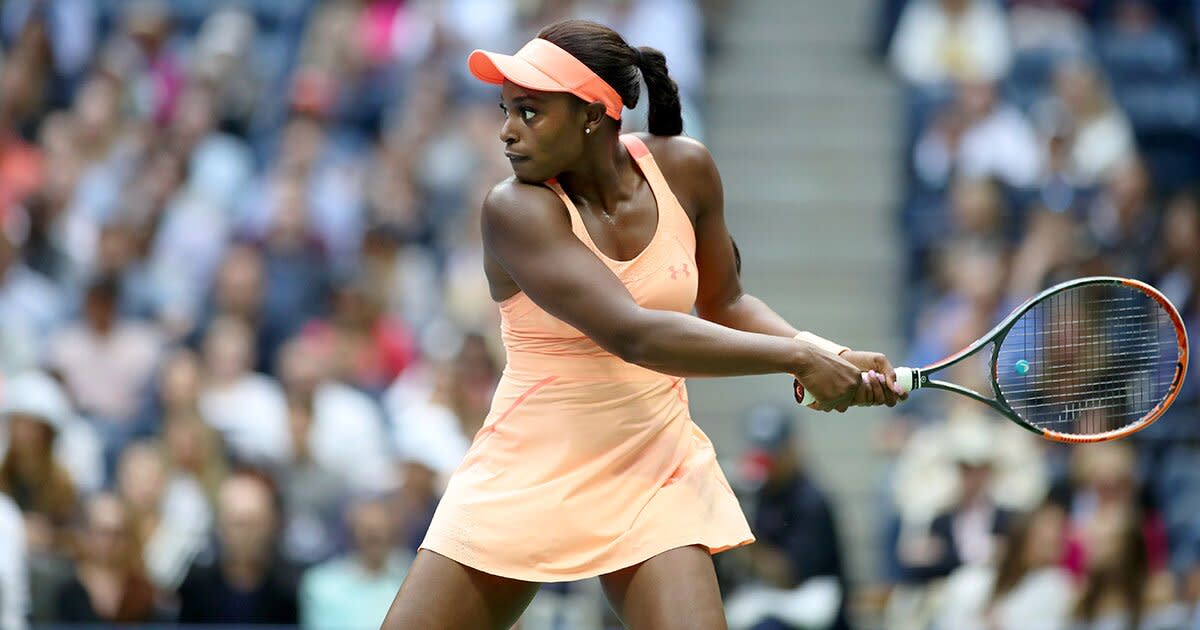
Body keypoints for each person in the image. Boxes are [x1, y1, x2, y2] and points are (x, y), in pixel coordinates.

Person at [382, 19, 906, 629]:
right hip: (526, 469)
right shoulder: (513, 208)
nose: (506, 132)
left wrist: (824, 350)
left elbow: (727, 303)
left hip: (654, 466)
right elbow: (636, 334)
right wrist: (797, 360)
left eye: (529, 112)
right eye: (505, 110)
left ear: (591, 114)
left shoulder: (685, 169)